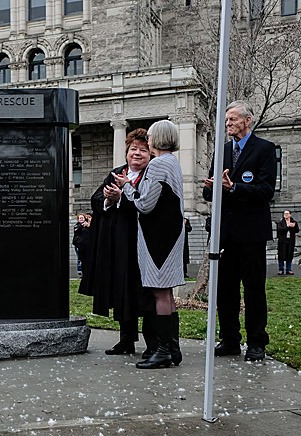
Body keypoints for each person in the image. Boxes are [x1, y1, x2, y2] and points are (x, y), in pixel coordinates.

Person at [203, 100, 276, 362]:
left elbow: (266, 191)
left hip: (252, 233)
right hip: (225, 233)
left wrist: (233, 188)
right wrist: (212, 187)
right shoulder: (221, 151)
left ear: (248, 120)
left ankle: (257, 342)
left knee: (254, 289)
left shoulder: (265, 150)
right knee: (226, 289)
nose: (228, 124)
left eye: (232, 119)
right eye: (226, 121)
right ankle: (230, 339)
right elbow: (209, 193)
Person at [113, 120, 185, 369]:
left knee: (160, 292)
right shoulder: (173, 162)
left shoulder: (157, 165)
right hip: (170, 234)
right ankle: (173, 348)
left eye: (151, 136)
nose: (149, 139)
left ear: (157, 139)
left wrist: (126, 189)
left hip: (158, 238)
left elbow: (145, 204)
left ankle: (163, 351)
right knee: (167, 293)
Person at [79, 128, 157, 358]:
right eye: (133, 149)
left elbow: (148, 205)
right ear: (126, 152)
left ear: (150, 155)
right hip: (117, 246)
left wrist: (123, 195)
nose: (137, 154)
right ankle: (126, 340)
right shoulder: (116, 173)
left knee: (144, 295)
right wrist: (108, 200)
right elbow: (95, 199)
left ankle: (153, 343)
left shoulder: (151, 176)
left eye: (143, 150)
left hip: (142, 245)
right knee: (122, 293)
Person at [277, 211, 298, 275]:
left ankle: (289, 269)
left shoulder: (293, 222)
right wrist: (288, 226)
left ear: (290, 215)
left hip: (290, 241)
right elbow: (280, 229)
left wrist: (293, 226)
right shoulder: (281, 222)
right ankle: (281, 269)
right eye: (284, 214)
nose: (285, 215)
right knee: (281, 255)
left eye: (287, 213)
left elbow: (297, 230)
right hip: (282, 241)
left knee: (289, 255)